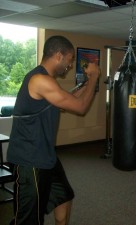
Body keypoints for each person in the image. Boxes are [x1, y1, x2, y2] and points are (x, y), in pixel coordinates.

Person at [7, 35, 100, 225]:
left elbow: (68, 102)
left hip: (46, 157)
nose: (70, 64)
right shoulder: (39, 80)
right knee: (29, 219)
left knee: (64, 196)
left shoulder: (47, 81)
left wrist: (86, 82)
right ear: (59, 55)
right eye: (70, 59)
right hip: (30, 160)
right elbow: (81, 107)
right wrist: (94, 77)